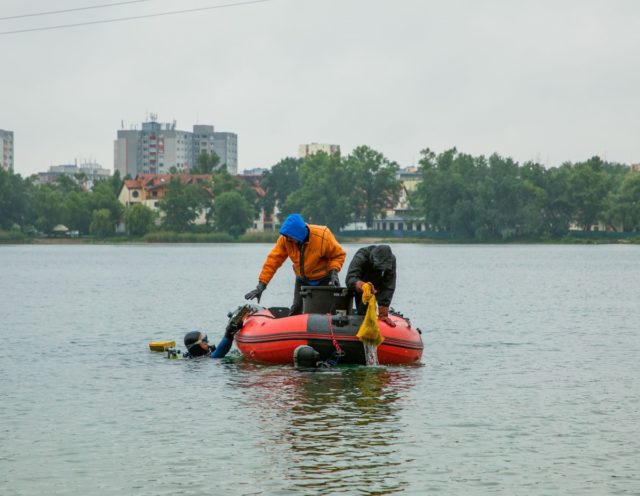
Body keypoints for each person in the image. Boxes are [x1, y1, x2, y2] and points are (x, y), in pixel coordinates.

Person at [244, 213, 346, 315]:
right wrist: (261, 285)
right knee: (296, 307)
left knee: (333, 309)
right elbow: (273, 261)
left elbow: (338, 255)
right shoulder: (285, 239)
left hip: (325, 278)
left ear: (299, 234)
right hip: (302, 279)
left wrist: (334, 272)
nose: (288, 239)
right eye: (286, 236)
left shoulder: (323, 235)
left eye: (290, 237)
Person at [345, 244, 397, 327]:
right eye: (379, 267)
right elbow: (350, 279)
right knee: (362, 311)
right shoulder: (361, 256)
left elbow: (388, 286)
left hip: (376, 282)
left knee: (383, 293)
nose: (381, 269)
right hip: (360, 283)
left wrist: (383, 314)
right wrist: (364, 286)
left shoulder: (391, 260)